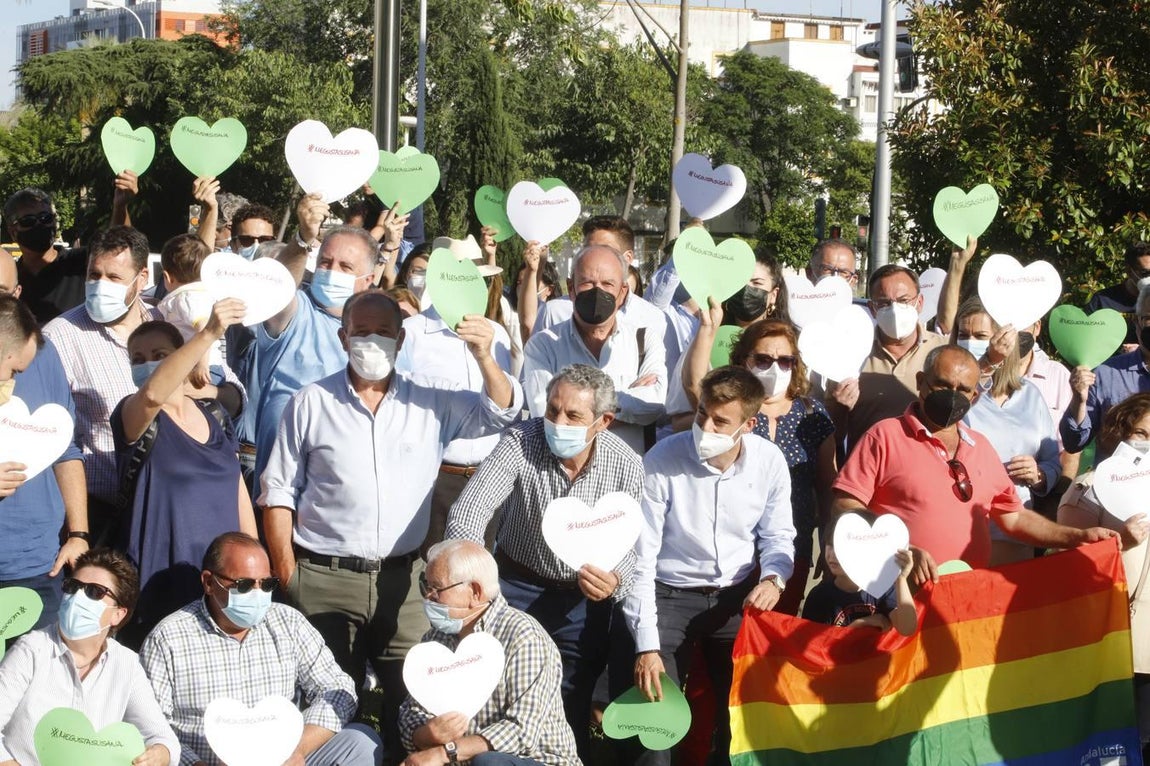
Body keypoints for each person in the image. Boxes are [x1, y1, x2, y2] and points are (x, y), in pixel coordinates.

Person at [261, 291, 522, 759]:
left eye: (383, 332)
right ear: (343, 338)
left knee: (417, 706)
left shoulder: (430, 402)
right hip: (322, 578)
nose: (372, 341)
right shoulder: (311, 402)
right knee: (327, 708)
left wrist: (484, 355)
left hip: (405, 584)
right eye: (362, 331)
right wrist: (289, 573)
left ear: (401, 339)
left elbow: (500, 411)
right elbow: (277, 491)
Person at [446, 364, 643, 759]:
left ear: (604, 421)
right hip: (515, 584)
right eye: (553, 409)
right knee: (492, 691)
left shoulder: (627, 464)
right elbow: (469, 512)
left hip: (581, 600)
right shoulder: (521, 439)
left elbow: (634, 548)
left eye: (573, 416)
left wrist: (615, 578)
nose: (557, 422)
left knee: (569, 703)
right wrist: (470, 580)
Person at [624, 366, 794, 765]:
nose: (706, 427)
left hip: (736, 598)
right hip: (667, 595)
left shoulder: (769, 461)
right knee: (653, 714)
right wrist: (647, 645)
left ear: (749, 424)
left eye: (721, 421)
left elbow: (778, 534)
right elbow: (641, 557)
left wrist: (775, 578)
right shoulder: (662, 458)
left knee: (741, 713)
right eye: (702, 414)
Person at [832, 345, 1116, 581]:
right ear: (920, 382)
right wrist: (899, 548)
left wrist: (1077, 536)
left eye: (962, 390)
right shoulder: (884, 436)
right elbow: (846, 505)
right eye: (942, 385)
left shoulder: (980, 446)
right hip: (898, 595)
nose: (951, 395)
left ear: (974, 397)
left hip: (968, 599)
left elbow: (1014, 517)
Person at [43, 226, 244, 539]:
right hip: (103, 515)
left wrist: (194, 389)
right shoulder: (59, 336)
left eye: (114, 277)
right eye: (94, 275)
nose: (100, 286)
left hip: (177, 510)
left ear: (142, 279)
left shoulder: (169, 322)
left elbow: (234, 397)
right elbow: (55, 435)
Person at [140, 533, 380, 766]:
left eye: (267, 584)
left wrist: (298, 750)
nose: (258, 594)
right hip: (207, 761)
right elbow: (151, 724)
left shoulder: (287, 622)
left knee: (360, 743)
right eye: (243, 585)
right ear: (209, 582)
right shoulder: (168, 638)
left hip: (284, 756)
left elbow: (338, 689)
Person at [113, 301, 257, 645]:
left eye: (159, 353)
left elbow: (238, 490)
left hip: (225, 575)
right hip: (161, 576)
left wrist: (254, 562)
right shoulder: (132, 416)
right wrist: (209, 333)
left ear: (180, 355)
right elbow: (150, 395)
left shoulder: (215, 414)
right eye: (137, 358)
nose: (147, 363)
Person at [680, 316, 836, 614]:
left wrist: (829, 540)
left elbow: (828, 486)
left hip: (792, 547)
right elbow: (694, 385)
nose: (774, 368)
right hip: (733, 551)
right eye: (763, 359)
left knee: (773, 641)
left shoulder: (812, 413)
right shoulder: (730, 409)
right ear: (744, 360)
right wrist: (707, 329)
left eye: (785, 361)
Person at [397, 540, 580, 766]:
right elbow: (410, 712)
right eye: (426, 587)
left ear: (475, 592)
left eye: (437, 589)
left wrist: (444, 752)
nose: (428, 597)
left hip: (532, 759)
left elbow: (521, 731)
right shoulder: (435, 639)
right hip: (460, 760)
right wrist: (425, 735)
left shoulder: (523, 636)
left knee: (489, 762)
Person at [239, 195, 380, 488]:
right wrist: (303, 238)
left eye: (345, 267)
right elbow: (281, 290)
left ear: (367, 280)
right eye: (326, 262)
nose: (331, 272)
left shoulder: (379, 336)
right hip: (281, 491)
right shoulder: (297, 312)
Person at [0, 548, 180, 765]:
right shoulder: (31, 650)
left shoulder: (126, 664)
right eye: (72, 586)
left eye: (95, 592)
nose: (77, 596)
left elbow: (163, 738)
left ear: (118, 614)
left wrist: (158, 754)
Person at [394, 247, 514, 553]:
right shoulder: (411, 333)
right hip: (432, 478)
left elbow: (505, 403)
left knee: (475, 573)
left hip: (488, 477)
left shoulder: (496, 333)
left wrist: (485, 355)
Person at [1058, 393, 1150, 760]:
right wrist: (1120, 542)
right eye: (1141, 432)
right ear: (1118, 434)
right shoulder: (1089, 488)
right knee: (1123, 748)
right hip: (1120, 646)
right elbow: (1072, 564)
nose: (1148, 442)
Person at [0, 288, 89, 631]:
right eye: (13, 370)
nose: (16, 379)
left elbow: (63, 447)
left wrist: (78, 533)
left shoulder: (43, 354)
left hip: (39, 568)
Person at [523, 243, 666, 454]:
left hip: (625, 477)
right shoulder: (543, 345)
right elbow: (547, 419)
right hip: (563, 475)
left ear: (623, 292)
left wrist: (577, 411)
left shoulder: (644, 340)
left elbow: (652, 406)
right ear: (571, 288)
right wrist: (623, 405)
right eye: (587, 283)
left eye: (608, 284)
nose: (598, 291)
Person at [951, 297, 1061, 564]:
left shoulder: (1031, 395)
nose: (970, 342)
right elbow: (950, 415)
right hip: (963, 532)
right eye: (963, 335)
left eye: (980, 335)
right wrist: (988, 362)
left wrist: (1039, 474)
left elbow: (1053, 462)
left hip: (1016, 530)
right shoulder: (954, 393)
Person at [826, 264, 947, 455]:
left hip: (927, 471)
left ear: (920, 302)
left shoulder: (942, 350)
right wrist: (838, 406)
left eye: (904, 300)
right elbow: (832, 436)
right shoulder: (849, 354)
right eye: (884, 303)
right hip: (868, 474)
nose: (895, 309)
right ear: (872, 308)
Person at [6, 177, 134, 324]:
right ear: (13, 231)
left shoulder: (81, 262)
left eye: (45, 218)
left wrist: (120, 206)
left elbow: (118, 247)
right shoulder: (10, 279)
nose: (39, 224)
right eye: (28, 221)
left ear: (54, 221)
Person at [1061, 283, 1150, 462]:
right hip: (1117, 484)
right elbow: (1073, 443)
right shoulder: (1106, 374)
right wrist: (1079, 400)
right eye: (1149, 318)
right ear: (1137, 323)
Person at [801, 511, 917, 635]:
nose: (832, 555)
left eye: (842, 547)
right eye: (830, 545)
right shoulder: (819, 596)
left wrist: (901, 578)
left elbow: (907, 628)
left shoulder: (883, 590)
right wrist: (859, 624)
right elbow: (816, 648)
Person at [156, 234, 227, 387]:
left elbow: (204, 329)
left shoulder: (186, 298)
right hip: (201, 364)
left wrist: (202, 365)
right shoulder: (201, 294)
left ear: (167, 278)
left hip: (201, 367)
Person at [1086, 241, 1150, 352]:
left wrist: (1141, 351)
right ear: (1129, 271)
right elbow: (1085, 340)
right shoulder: (1102, 301)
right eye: (1145, 273)